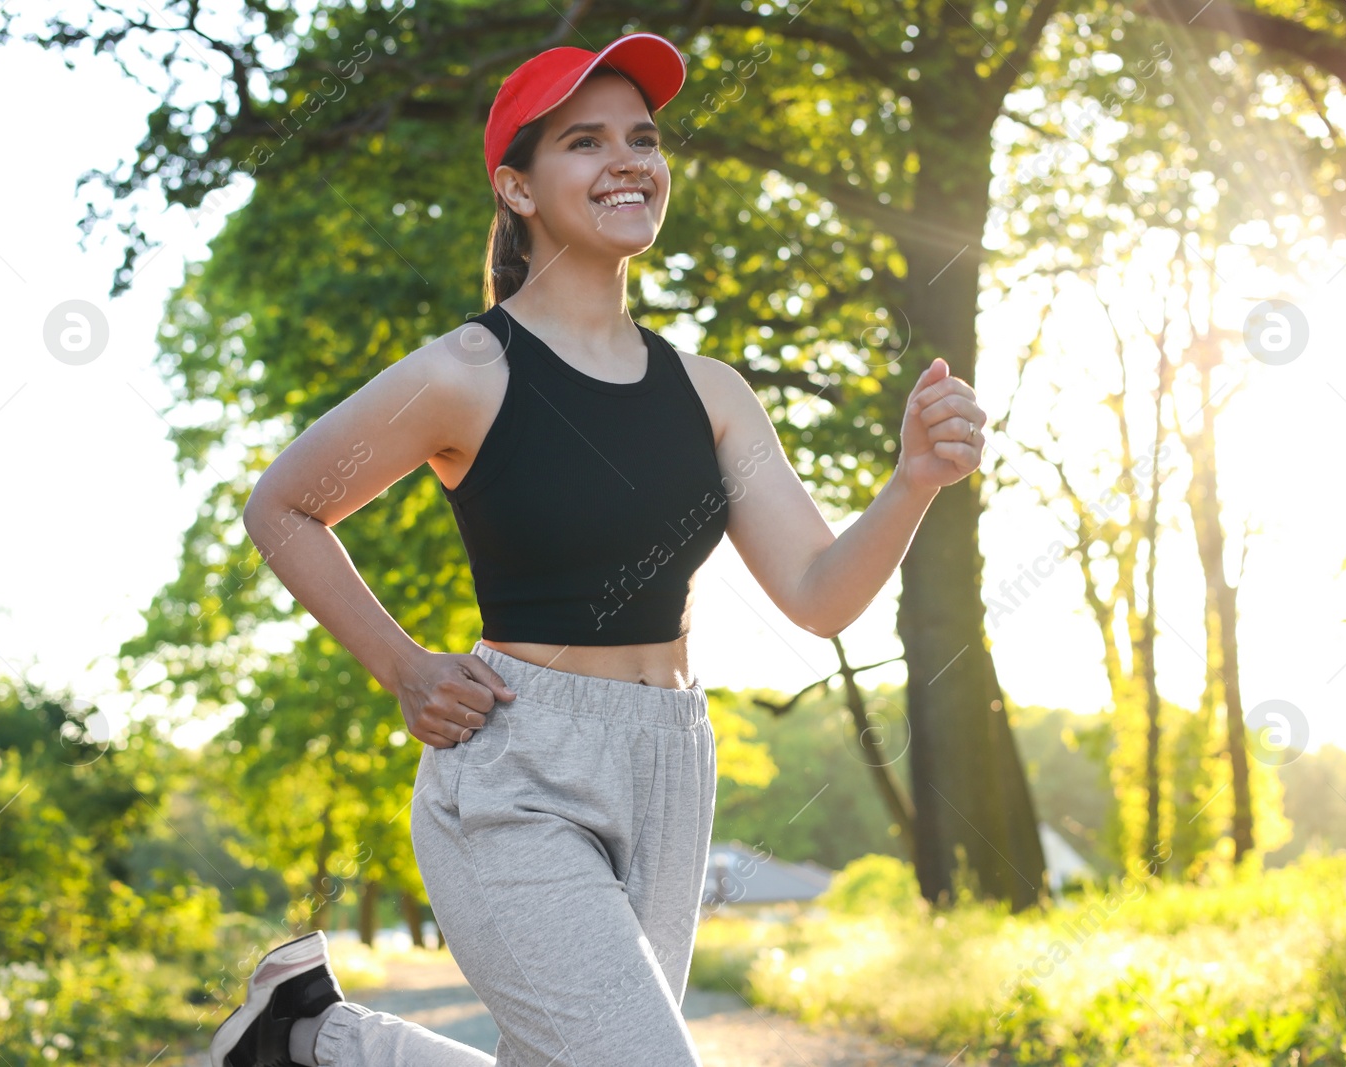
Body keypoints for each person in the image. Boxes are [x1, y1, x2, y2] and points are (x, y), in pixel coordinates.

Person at [211, 28, 986, 1067]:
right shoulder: (465, 371)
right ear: (518, 189)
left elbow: (816, 594)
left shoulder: (711, 394)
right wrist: (403, 667)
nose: (627, 158)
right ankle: (315, 1035)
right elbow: (283, 506)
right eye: (584, 141)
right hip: (517, 764)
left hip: (670, 757)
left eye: (643, 137)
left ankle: (313, 1037)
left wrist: (912, 483)